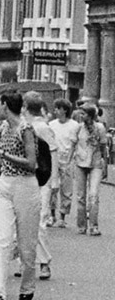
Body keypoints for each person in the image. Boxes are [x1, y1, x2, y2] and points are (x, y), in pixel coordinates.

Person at [0, 88, 40, 300]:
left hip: (26, 185)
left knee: (26, 245)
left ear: (5, 104)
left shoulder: (25, 128)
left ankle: (27, 289)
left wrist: (2, 155)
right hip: (5, 184)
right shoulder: (3, 128)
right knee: (1, 240)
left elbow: (31, 163)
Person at [23, 92, 55, 279]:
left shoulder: (42, 128)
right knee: (23, 220)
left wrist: (53, 181)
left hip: (41, 180)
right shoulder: (21, 126)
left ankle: (44, 262)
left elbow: (53, 154)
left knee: (40, 222)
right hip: (24, 179)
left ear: (26, 107)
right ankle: (24, 262)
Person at [72, 104, 106, 235]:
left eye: (83, 114)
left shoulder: (100, 128)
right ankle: (81, 225)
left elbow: (103, 148)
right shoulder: (78, 128)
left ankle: (93, 226)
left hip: (96, 163)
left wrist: (105, 166)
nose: (81, 116)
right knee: (81, 196)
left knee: (93, 195)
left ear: (91, 116)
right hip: (80, 164)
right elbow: (73, 144)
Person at [48, 98, 79, 225]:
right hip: (54, 159)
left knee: (66, 189)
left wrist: (69, 159)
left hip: (68, 159)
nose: (55, 111)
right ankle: (52, 215)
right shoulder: (52, 125)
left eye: (57, 108)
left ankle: (62, 217)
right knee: (52, 187)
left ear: (64, 110)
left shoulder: (74, 125)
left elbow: (73, 144)